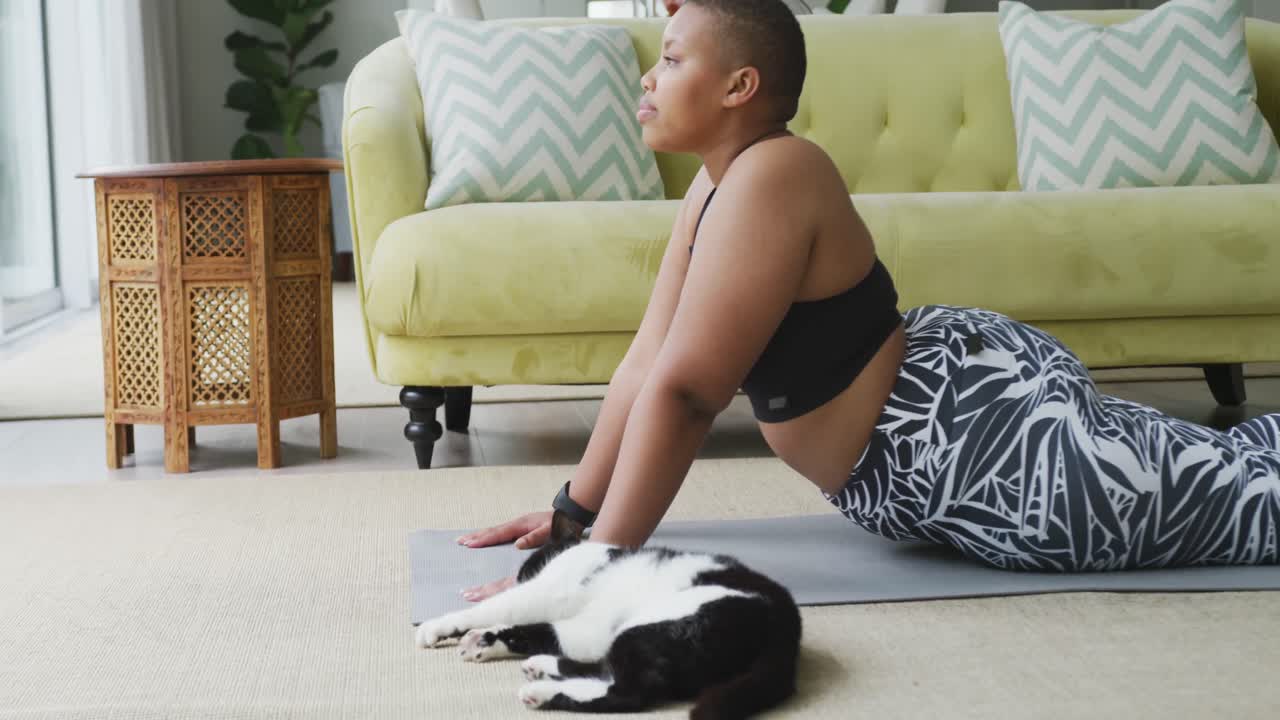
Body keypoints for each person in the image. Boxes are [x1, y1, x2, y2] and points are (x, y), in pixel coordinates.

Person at [455, 0, 1280, 602]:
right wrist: (574, 515)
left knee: (1251, 501)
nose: (649, 73)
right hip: (939, 455)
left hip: (990, 445)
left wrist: (594, 572)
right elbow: (647, 366)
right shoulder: (711, 192)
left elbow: (692, 392)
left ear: (741, 84)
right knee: (1238, 464)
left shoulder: (780, 171)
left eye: (672, 58)